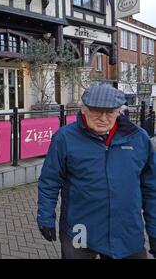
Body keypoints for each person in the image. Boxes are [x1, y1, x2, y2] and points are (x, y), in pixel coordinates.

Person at [37, 84, 156, 259]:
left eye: (110, 112)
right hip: (80, 229)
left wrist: (154, 230)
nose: (103, 118)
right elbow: (50, 181)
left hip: (125, 230)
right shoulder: (64, 138)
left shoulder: (138, 138)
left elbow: (152, 188)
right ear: (84, 110)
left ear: (119, 112)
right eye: (96, 111)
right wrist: (45, 217)